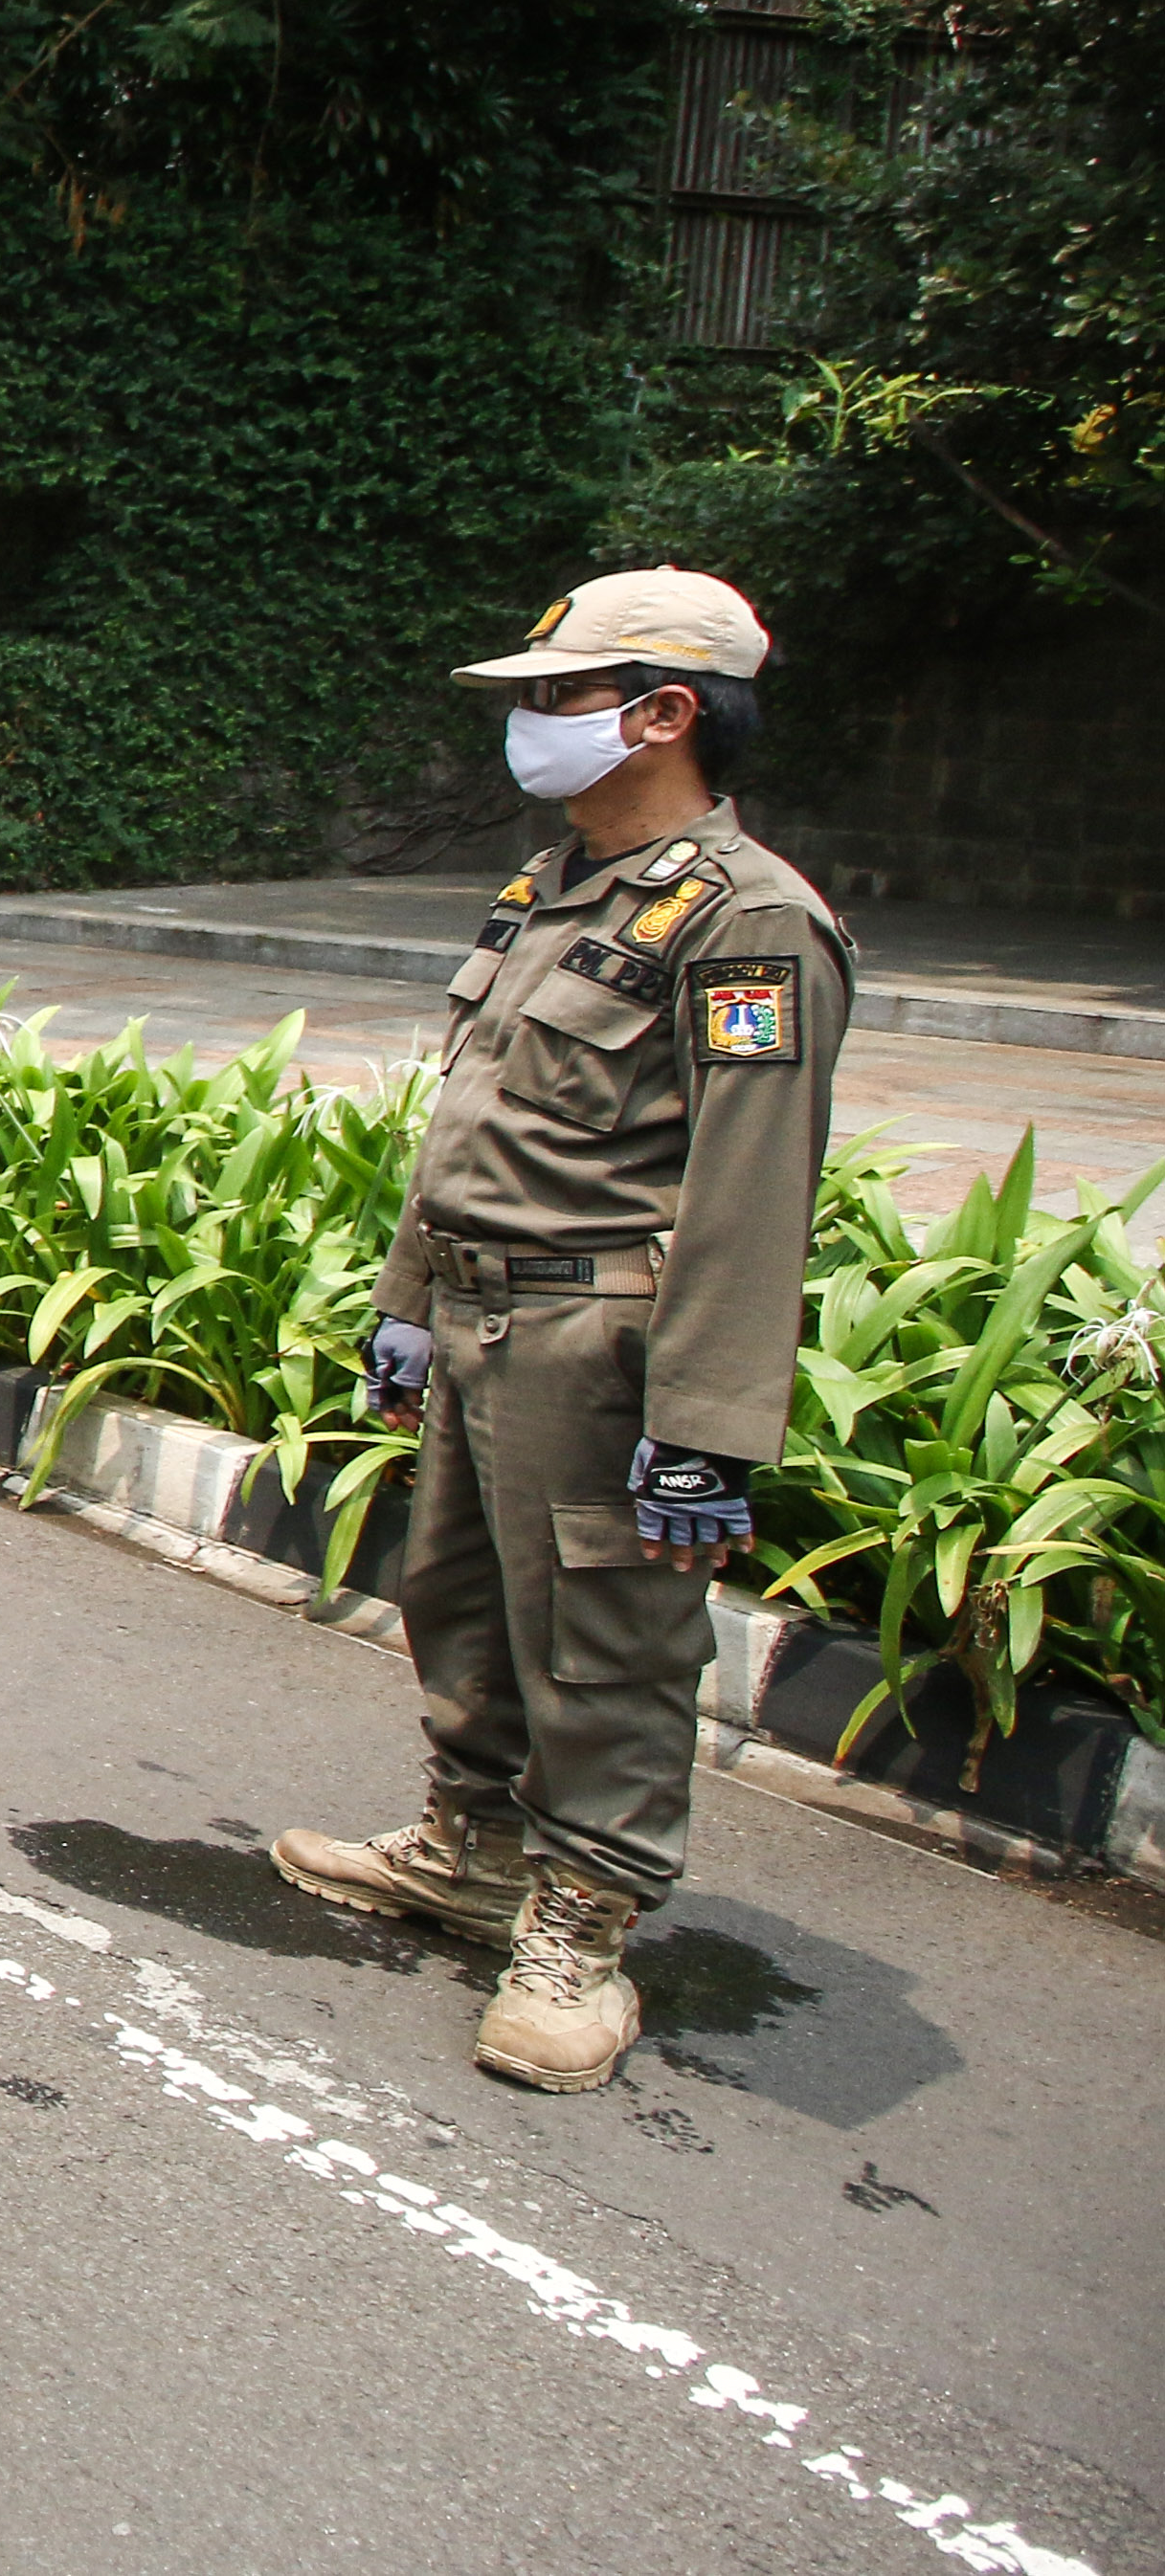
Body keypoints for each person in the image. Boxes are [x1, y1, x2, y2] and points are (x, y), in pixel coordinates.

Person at [275, 566, 850, 2095]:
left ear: (661, 714)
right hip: (473, 1314)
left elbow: (748, 1193)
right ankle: (465, 1844)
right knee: (456, 1602)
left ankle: (581, 1928)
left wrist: (705, 1431)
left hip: (598, 1339)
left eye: (554, 699)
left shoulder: (747, 923)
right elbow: (465, 1119)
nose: (526, 728)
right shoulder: (552, 886)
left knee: (602, 1644)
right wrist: (404, 1304)